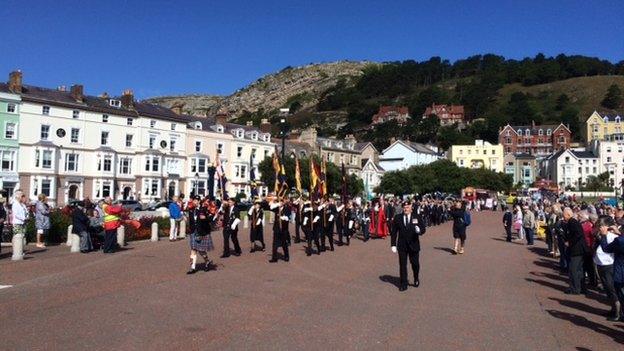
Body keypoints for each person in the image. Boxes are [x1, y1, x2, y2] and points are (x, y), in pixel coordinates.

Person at [391, 201, 426, 291]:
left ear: (411, 208)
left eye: (407, 207)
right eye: (404, 207)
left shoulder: (417, 217)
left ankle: (416, 277)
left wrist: (419, 230)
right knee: (402, 265)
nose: (405, 209)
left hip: (414, 244)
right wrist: (393, 244)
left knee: (415, 264)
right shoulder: (398, 217)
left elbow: (423, 229)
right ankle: (403, 283)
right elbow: (394, 232)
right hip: (402, 245)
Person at [594, 217, 621, 321]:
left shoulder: (613, 237)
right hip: (601, 264)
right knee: (607, 289)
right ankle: (613, 309)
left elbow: (609, 249)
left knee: (612, 289)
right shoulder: (601, 235)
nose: (599, 228)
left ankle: (618, 312)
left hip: (609, 265)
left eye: (601, 226)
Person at [562, 207, 588, 295]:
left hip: (577, 250)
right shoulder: (571, 222)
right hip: (578, 249)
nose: (563, 217)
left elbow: (578, 234)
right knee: (579, 270)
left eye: (564, 215)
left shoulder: (572, 222)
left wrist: (570, 242)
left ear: (568, 215)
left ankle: (575, 289)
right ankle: (581, 288)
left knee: (574, 270)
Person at [186, 196, 215, 274]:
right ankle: (193, 268)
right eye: (194, 200)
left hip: (201, 232)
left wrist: (205, 218)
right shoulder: (191, 210)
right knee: (193, 249)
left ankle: (207, 261)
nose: (194, 202)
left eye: (196, 200)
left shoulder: (204, 209)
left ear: (199, 201)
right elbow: (191, 221)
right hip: (193, 232)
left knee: (201, 250)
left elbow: (210, 219)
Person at [270, 197, 291, 262]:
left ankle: (286, 256)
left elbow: (287, 218)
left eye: (282, 201)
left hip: (283, 229)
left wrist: (281, 217)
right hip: (276, 228)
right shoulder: (277, 208)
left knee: (284, 244)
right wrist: (275, 201)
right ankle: (274, 258)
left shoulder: (287, 208)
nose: (281, 202)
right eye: (280, 201)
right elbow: (271, 207)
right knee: (274, 244)